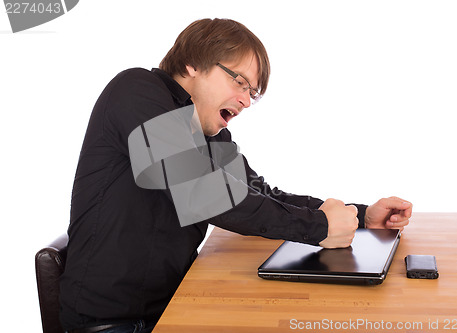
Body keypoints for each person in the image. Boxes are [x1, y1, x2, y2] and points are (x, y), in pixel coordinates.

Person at [59, 18, 412, 333]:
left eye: (252, 93)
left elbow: (257, 194)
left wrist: (359, 215)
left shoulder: (206, 130)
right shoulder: (136, 91)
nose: (245, 100)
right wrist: (319, 228)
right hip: (115, 323)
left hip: (173, 306)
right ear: (192, 63)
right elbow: (204, 194)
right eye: (240, 82)